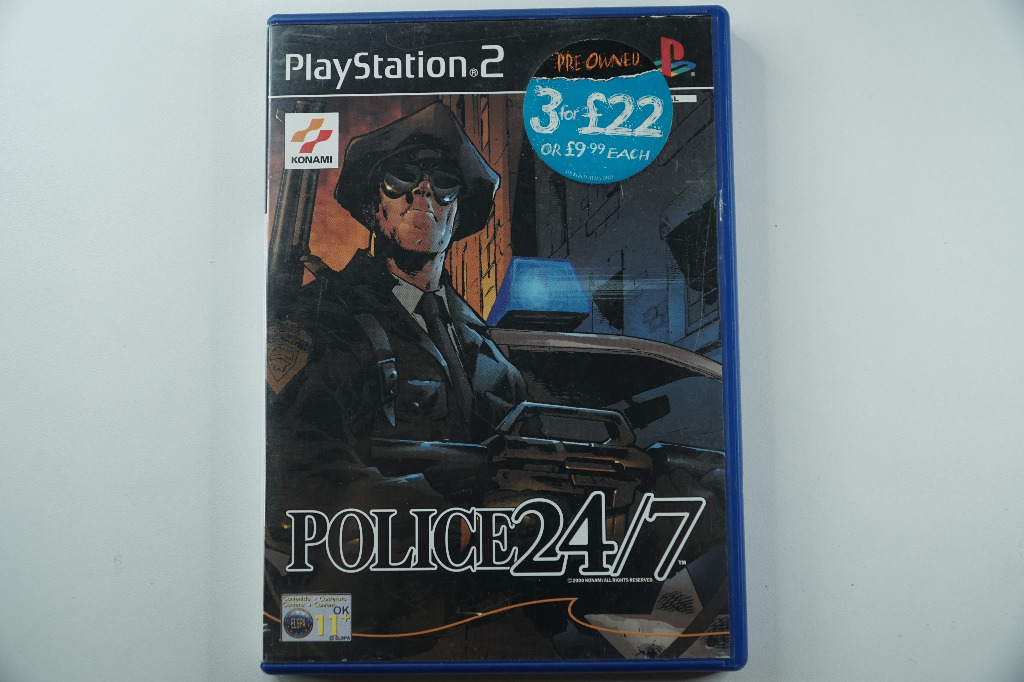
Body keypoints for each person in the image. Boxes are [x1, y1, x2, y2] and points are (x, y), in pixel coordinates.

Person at [264, 104, 528, 644]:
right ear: (373, 205)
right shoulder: (322, 320)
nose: (423, 194)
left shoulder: (486, 352)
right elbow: (296, 460)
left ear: (458, 214)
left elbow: (523, 454)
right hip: (364, 611)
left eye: (445, 184)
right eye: (401, 178)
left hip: (475, 607)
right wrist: (434, 515)